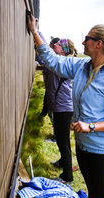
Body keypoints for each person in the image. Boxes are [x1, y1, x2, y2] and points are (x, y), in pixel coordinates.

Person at [28, 15, 104, 198]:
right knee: (93, 193)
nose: (83, 42)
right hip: (83, 147)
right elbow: (54, 61)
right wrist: (35, 32)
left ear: (98, 44)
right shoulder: (81, 67)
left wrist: (91, 126)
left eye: (87, 39)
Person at [45, 37, 77, 184]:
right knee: (61, 139)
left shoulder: (59, 64)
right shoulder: (64, 63)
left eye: (57, 45)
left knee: (63, 142)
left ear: (63, 50)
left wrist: (50, 106)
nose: (54, 45)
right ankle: (62, 162)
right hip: (64, 106)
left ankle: (67, 177)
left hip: (62, 108)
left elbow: (51, 89)